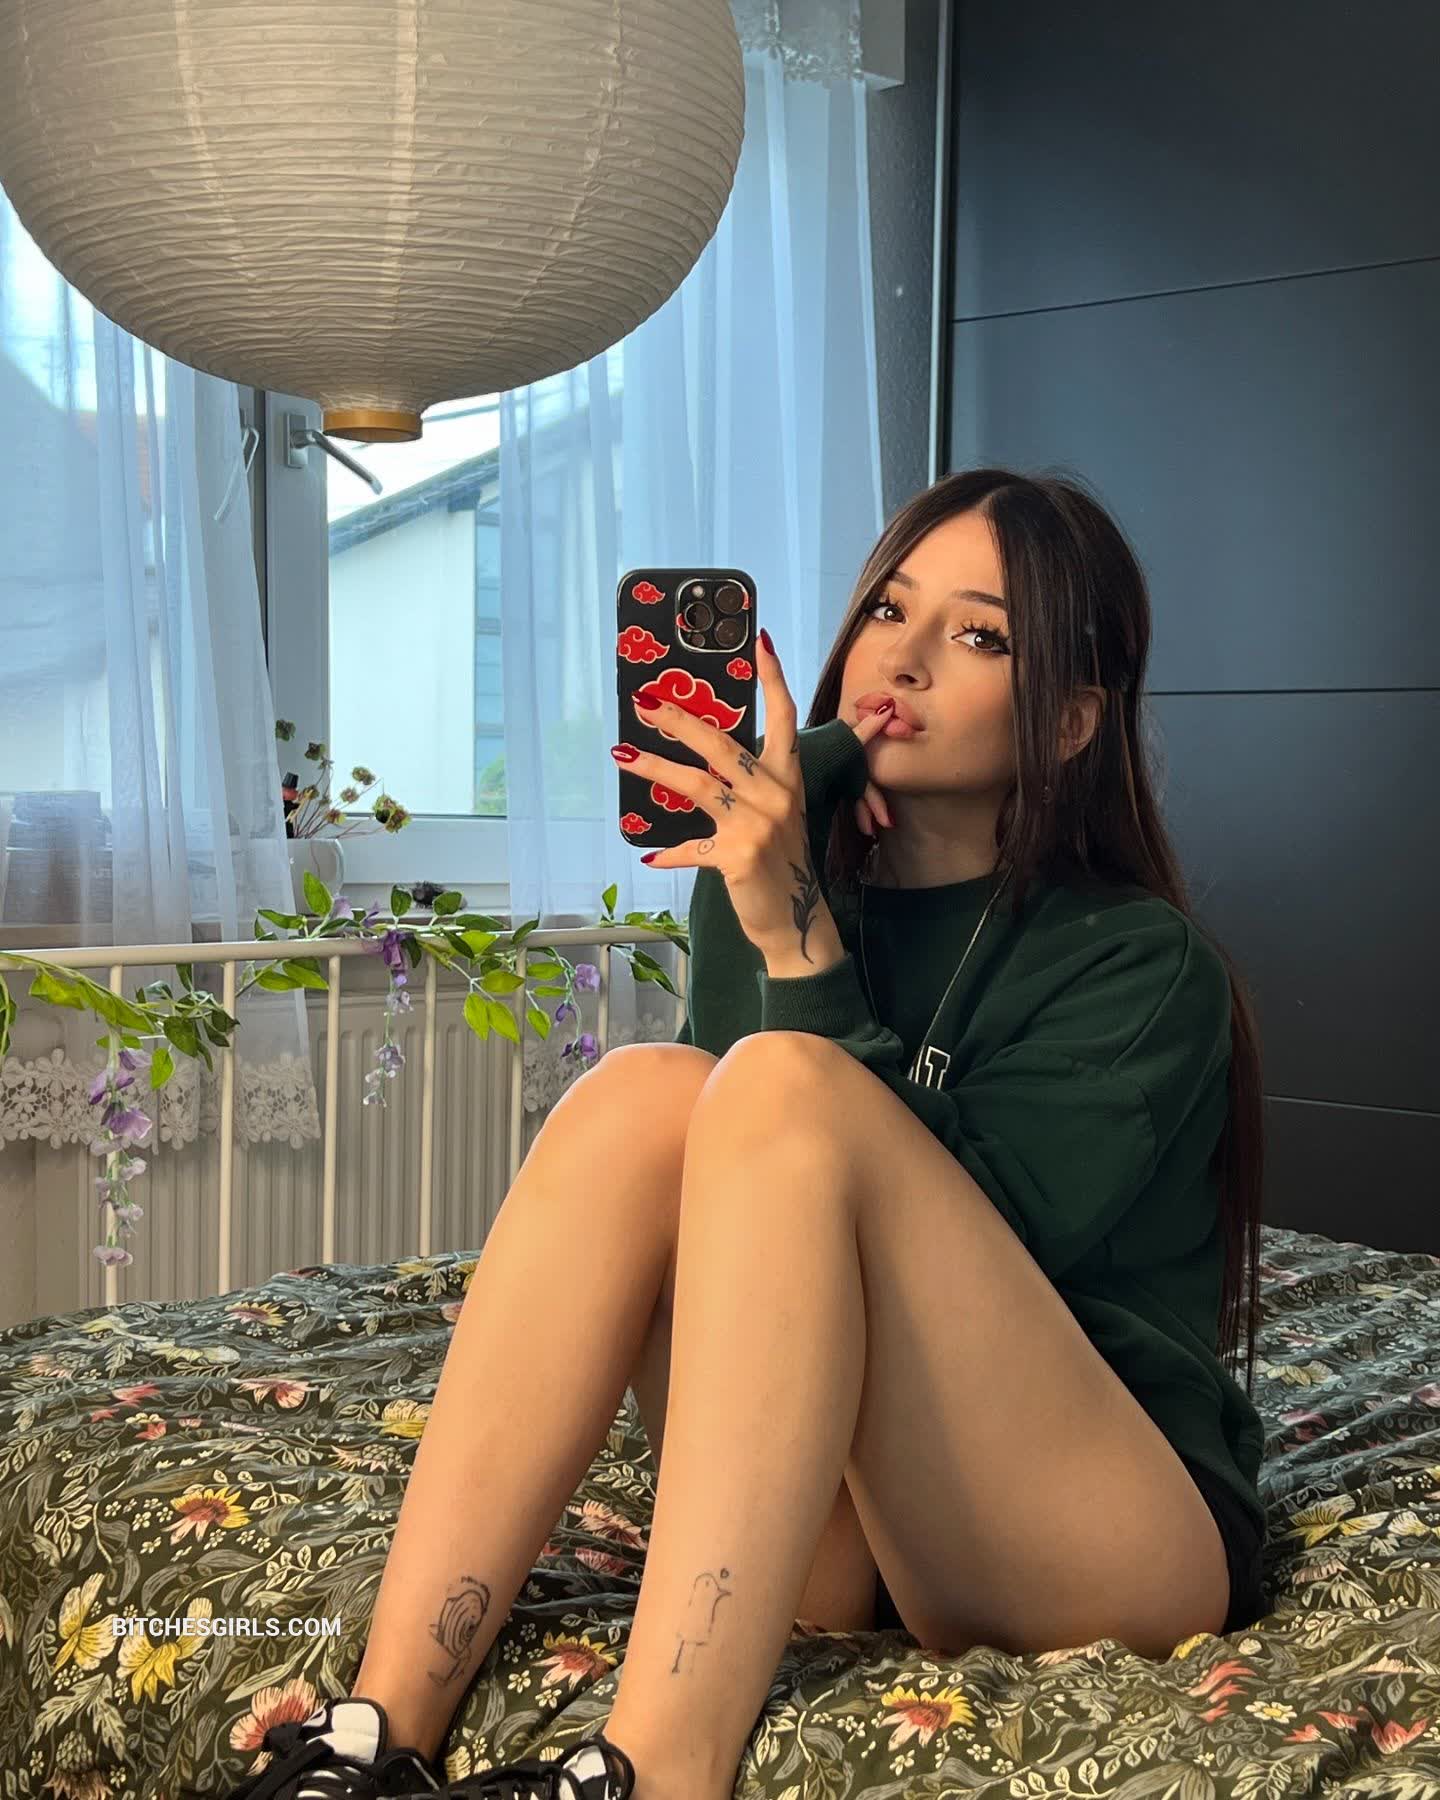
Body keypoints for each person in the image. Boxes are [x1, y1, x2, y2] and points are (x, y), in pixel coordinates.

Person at [225, 467, 1267, 1800]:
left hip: (1097, 1529)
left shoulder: (1143, 964)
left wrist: (799, 944)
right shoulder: (774, 878)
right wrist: (782, 852)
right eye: (888, 611)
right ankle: (377, 1733)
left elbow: (974, 1245)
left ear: (1069, 720)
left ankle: (657, 1771)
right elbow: (739, 1195)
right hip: (850, 1530)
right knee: (646, 1093)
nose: (904, 659)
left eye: (980, 635)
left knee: (776, 1084)